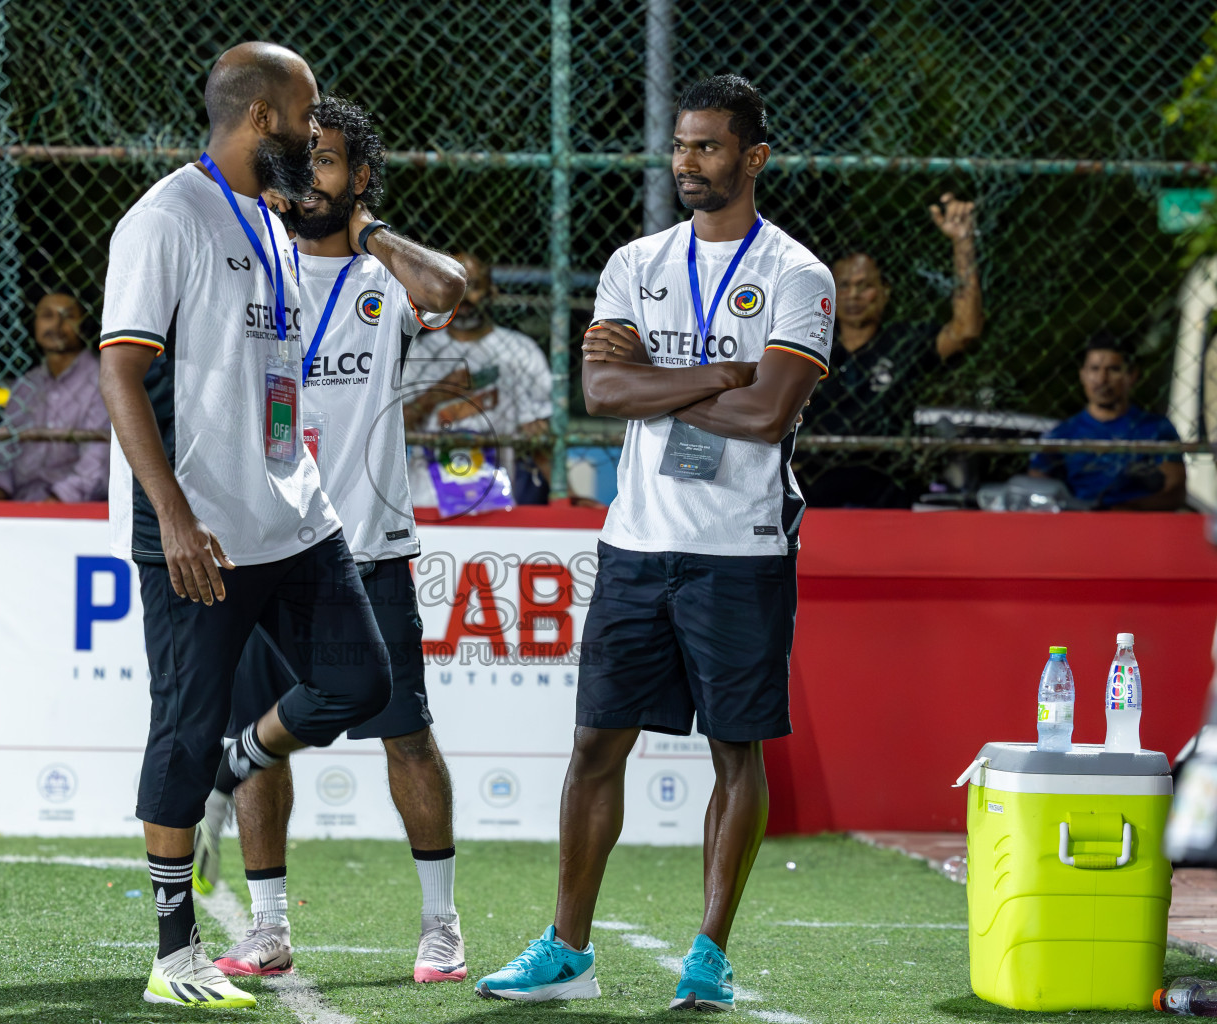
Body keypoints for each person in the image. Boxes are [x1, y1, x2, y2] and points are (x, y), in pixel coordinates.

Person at [476, 75, 834, 1011]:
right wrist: (717, 368)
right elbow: (601, 396)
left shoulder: (798, 275)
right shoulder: (638, 260)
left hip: (744, 548)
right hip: (635, 542)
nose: (687, 163)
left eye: (708, 147)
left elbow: (768, 415)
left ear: (754, 157)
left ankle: (709, 956)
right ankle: (568, 950)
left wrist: (662, 378)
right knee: (596, 743)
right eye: (680, 146)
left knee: (735, 750)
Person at [96, 42, 394, 1011]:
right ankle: (173, 952)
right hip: (203, 532)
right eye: (307, 119)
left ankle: (245, 756)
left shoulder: (268, 221)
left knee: (362, 678)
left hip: (291, 512)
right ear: (262, 117)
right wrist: (173, 519)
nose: (317, 138)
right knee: (181, 730)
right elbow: (120, 373)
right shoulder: (165, 217)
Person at [191, 95, 468, 985]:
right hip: (264, 544)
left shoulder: (386, 278)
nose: (310, 177)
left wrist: (370, 230)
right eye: (299, 158)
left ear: (361, 177)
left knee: (407, 735)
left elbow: (449, 292)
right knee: (255, 738)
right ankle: (268, 927)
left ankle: (440, 924)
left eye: (329, 162)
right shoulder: (252, 266)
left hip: (367, 545)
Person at [802, 192, 983, 506]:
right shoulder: (809, 344)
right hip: (813, 480)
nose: (854, 295)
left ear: (884, 292)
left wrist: (962, 243)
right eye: (843, 285)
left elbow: (965, 330)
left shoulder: (904, 341)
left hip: (886, 482)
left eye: (865, 285)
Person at [402, 252, 553, 506]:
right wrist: (435, 395)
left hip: (497, 498)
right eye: (453, 288)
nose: (464, 299)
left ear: (491, 292)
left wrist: (566, 493)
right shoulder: (420, 352)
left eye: (471, 287)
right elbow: (392, 427)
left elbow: (539, 439)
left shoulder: (521, 351)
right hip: (428, 499)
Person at [1028, 332, 1185, 510]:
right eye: (1094, 369)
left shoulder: (1156, 429)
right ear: (1083, 375)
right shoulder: (1062, 434)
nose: (1102, 380)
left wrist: (1126, 509)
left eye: (1113, 369)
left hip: (1139, 525)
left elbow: (1175, 490)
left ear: (1132, 375)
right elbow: (1038, 486)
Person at [0, 293, 109, 502]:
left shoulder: (101, 380)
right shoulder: (25, 385)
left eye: (67, 316)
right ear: (34, 324)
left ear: (83, 325)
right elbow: (3, 452)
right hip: (20, 503)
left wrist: (50, 507)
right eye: (47, 315)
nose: (56, 325)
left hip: (76, 509)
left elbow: (97, 462)